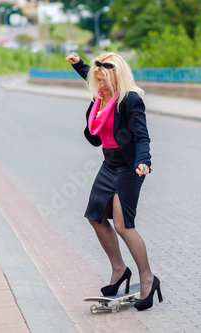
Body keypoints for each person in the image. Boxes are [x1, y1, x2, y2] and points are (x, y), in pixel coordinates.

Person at [65, 52, 163, 311]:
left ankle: (147, 278)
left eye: (106, 80)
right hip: (109, 164)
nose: (101, 84)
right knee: (95, 217)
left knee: (122, 225)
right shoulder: (99, 98)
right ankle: (119, 269)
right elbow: (92, 72)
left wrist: (145, 161)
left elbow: (142, 136)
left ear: (118, 76)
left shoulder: (130, 100)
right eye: (97, 80)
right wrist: (79, 65)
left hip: (130, 167)